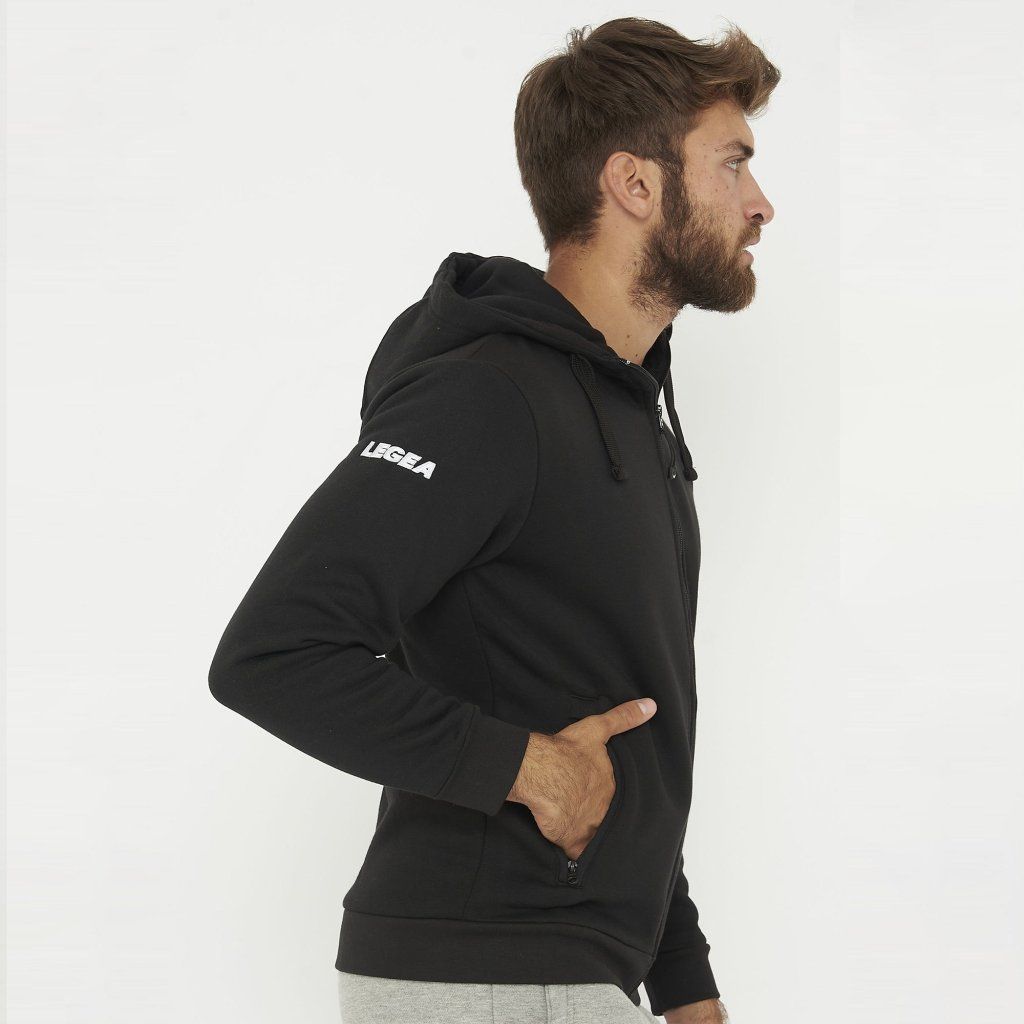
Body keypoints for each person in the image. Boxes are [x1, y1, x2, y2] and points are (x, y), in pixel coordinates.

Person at [208, 15, 777, 1024]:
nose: (759, 202)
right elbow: (273, 651)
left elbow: (626, 716)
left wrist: (683, 979)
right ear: (633, 183)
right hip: (489, 971)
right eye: (732, 163)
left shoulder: (634, 417)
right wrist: (528, 769)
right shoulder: (489, 399)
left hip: (573, 968)